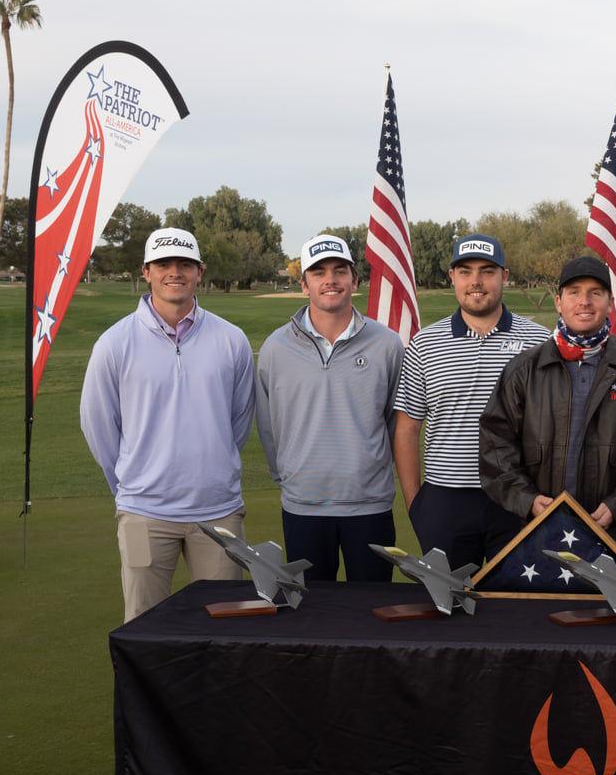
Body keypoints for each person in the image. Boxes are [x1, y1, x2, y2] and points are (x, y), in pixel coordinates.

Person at [80, 227, 255, 621]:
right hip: (144, 513)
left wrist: (212, 464)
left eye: (185, 264)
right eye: (163, 264)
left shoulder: (231, 340)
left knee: (225, 623)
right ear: (146, 271)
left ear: (199, 271)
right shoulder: (114, 343)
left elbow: (238, 421)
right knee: (144, 623)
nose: (174, 272)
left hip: (218, 510)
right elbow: (99, 426)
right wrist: (132, 483)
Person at [479, 255, 616, 562]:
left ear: (610, 302)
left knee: (614, 611)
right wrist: (528, 500)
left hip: (615, 532)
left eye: (595, 293)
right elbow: (496, 444)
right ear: (559, 302)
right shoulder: (525, 369)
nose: (584, 302)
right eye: (574, 292)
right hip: (540, 530)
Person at [392, 233, 549, 567]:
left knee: (514, 607)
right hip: (445, 500)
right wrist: (415, 504)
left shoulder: (539, 342)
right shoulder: (424, 344)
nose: (476, 281)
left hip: (516, 498)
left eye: (487, 271)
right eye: (465, 271)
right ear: (452, 277)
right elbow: (407, 429)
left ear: (504, 276)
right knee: (450, 609)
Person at [254, 234, 403, 582]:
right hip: (303, 506)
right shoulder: (276, 347)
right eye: (318, 272)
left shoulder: (387, 344)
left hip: (370, 506)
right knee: (312, 618)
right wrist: (289, 478)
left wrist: (371, 473)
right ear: (304, 284)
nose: (330, 280)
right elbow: (268, 425)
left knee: (370, 615)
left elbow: (397, 424)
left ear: (355, 280)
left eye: (340, 270)